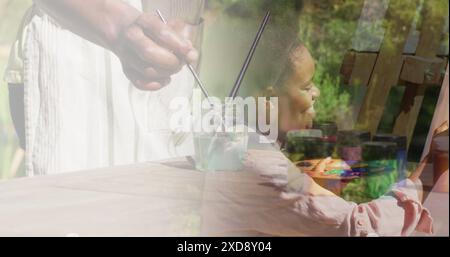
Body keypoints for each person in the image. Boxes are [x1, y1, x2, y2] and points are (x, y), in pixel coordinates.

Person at [5, 0, 205, 176]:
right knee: (68, 204)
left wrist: (184, 19)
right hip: (67, 47)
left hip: (165, 41)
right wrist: (116, 25)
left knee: (164, 201)